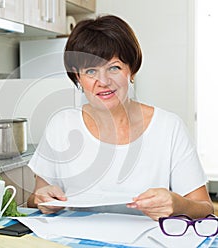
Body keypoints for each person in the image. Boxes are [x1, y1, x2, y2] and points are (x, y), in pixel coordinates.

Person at [26, 15, 213, 221]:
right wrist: (42, 198)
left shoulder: (169, 127)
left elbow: (205, 208)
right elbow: (36, 197)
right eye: (90, 71)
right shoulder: (61, 125)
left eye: (114, 67)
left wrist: (178, 204)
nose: (103, 81)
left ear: (131, 70)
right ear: (77, 77)